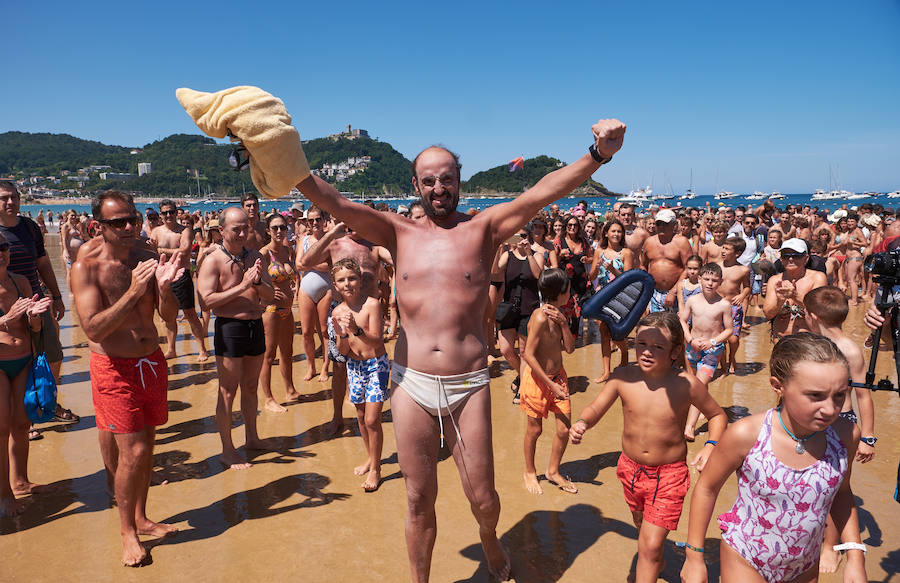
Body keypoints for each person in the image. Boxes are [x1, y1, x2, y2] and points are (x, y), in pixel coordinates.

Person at [294, 118, 626, 582]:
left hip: (468, 384)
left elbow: (543, 192)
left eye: (446, 178)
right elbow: (336, 201)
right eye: (428, 181)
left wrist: (598, 154)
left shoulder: (483, 229)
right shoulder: (396, 233)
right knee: (417, 497)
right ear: (416, 184)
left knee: (483, 498)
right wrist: (284, 159)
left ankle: (489, 538)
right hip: (410, 383)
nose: (438, 188)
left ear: (459, 181)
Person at [680, 333, 867, 583]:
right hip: (746, 556)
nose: (830, 409)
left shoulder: (845, 435)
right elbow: (707, 489)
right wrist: (694, 557)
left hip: (804, 563)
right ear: (778, 386)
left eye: (839, 396)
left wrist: (855, 555)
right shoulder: (746, 434)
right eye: (815, 395)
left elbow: (842, 493)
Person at [569, 312, 726, 583]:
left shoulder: (686, 384)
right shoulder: (623, 377)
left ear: (676, 351)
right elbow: (596, 407)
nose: (646, 352)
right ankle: (654, 558)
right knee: (642, 529)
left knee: (650, 545)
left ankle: (652, 557)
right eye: (641, 343)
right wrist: (583, 422)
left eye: (658, 347)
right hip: (629, 471)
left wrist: (711, 444)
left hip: (669, 475)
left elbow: (717, 415)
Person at [70, 191, 183, 566]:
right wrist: (134, 290)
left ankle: (141, 516)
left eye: (132, 219)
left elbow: (168, 316)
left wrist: (165, 289)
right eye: (119, 222)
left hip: (150, 361)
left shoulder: (147, 256)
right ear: (98, 226)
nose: (130, 227)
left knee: (147, 446)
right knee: (131, 452)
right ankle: (127, 533)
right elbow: (94, 329)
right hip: (113, 367)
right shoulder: (87, 266)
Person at [803, 286, 876, 573]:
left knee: (834, 487)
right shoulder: (812, 342)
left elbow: (863, 395)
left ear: (812, 316)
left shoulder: (848, 349)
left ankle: (829, 547)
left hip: (842, 424)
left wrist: (867, 437)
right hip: (810, 423)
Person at [196, 207, 276, 470]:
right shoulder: (213, 260)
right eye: (235, 229)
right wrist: (242, 286)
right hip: (230, 327)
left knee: (251, 387)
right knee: (228, 391)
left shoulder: (254, 256)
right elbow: (206, 301)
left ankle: (252, 438)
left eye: (245, 228)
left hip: (255, 325)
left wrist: (256, 285)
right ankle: (227, 449)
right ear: (221, 230)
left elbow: (269, 292)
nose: (242, 233)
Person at [298, 219, 393, 436]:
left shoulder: (375, 246)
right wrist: (331, 234)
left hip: (368, 314)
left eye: (355, 220)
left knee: (370, 360)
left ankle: (367, 411)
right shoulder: (335, 244)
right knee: (339, 368)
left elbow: (401, 260)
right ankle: (337, 417)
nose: (352, 226)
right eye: (348, 222)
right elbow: (304, 262)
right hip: (340, 312)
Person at [0, 183, 75, 444]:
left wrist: (55, 296)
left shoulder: (29, 227)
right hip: (4, 307)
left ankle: (47, 402)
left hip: (36, 302)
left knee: (52, 356)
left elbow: (42, 262)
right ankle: (24, 418)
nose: (11, 202)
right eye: (4, 198)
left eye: (14, 197)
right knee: (18, 362)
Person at [0, 232, 52, 517]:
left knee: (21, 425)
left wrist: (33, 317)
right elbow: (7, 323)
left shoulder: (20, 282)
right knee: (1, 429)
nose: (0, 252)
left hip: (23, 360)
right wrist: (6, 319)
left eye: (4, 247)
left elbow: (34, 330)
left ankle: (20, 481)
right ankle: (3, 494)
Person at [330, 258, 389, 492]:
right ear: (335, 285)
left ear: (360, 280)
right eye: (341, 280)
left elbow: (377, 341)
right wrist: (343, 335)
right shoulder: (337, 311)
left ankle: (376, 469)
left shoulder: (372, 304)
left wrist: (356, 329)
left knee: (373, 419)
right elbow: (343, 352)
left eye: (352, 278)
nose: (347, 284)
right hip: (355, 368)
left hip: (376, 364)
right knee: (361, 416)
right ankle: (370, 457)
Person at [520, 268, 576, 495]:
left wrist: (564, 324)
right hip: (538, 381)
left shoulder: (560, 315)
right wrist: (550, 385)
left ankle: (553, 471)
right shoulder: (540, 317)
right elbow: (528, 355)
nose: (570, 292)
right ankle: (530, 471)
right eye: (568, 289)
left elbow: (570, 350)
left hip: (558, 378)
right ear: (559, 293)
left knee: (564, 430)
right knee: (534, 431)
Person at [149, 200, 209, 362]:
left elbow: (185, 250)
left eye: (171, 212)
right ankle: (171, 349)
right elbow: (150, 250)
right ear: (160, 215)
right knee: (168, 316)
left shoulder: (185, 231)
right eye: (165, 213)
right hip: (162, 279)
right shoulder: (156, 232)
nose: (168, 215)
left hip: (181, 275)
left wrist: (160, 250)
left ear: (176, 213)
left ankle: (202, 349)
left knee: (190, 313)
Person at [679, 262, 732, 441]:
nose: (710, 283)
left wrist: (712, 342)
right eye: (707, 279)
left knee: (698, 386)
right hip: (692, 346)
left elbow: (729, 330)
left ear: (720, 282)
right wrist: (689, 339)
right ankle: (702, 408)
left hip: (712, 350)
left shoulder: (723, 304)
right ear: (699, 279)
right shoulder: (693, 300)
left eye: (714, 280)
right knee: (695, 381)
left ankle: (689, 427)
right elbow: (683, 320)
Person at [497, 228, 543, 401]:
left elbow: (538, 275)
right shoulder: (507, 255)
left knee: (524, 352)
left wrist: (529, 253)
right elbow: (495, 271)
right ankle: (521, 375)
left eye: (524, 236)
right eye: (518, 236)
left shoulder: (537, 254)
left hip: (529, 308)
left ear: (529, 237)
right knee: (506, 349)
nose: (521, 239)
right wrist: (499, 248)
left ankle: (523, 388)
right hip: (509, 308)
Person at [259, 213, 300, 412]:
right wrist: (267, 290)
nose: (278, 231)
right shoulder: (264, 254)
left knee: (287, 351)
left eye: (282, 227)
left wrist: (296, 288)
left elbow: (295, 274)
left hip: (287, 308)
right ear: (268, 230)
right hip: (271, 309)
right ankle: (268, 398)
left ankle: (290, 389)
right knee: (269, 354)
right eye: (274, 228)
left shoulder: (287, 250)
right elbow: (251, 280)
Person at [588, 218, 633, 382]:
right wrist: (596, 265)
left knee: (617, 334)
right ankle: (606, 371)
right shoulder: (599, 251)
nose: (616, 234)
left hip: (620, 297)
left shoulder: (626, 253)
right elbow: (591, 276)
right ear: (606, 233)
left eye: (619, 231)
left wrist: (613, 268)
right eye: (613, 231)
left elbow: (629, 279)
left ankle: (625, 353)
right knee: (604, 333)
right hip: (602, 295)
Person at [295, 207, 333, 382]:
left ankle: (325, 367)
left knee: (324, 331)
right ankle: (311, 366)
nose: (315, 223)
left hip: (326, 289)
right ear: (307, 223)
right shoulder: (303, 239)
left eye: (317, 219)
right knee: (306, 332)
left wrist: (309, 262)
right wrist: (318, 263)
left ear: (323, 220)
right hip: (307, 289)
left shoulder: (328, 239)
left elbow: (330, 267)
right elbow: (298, 264)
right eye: (311, 221)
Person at [763, 238, 827, 340]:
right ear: (781, 259)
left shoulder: (817, 278)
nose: (791, 259)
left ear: (806, 258)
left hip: (808, 341)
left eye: (796, 256)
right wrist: (780, 301)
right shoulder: (774, 280)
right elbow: (768, 314)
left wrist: (795, 296)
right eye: (786, 256)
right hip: (780, 340)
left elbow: (819, 311)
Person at [642, 209, 692, 312]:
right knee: (655, 325)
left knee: (675, 326)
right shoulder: (649, 242)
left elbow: (689, 268)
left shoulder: (682, 242)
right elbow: (643, 265)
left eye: (665, 224)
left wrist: (673, 292)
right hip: (653, 293)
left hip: (676, 293)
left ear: (674, 224)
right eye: (658, 223)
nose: (661, 227)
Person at [719, 237, 751, 374]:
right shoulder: (716, 266)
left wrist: (742, 295)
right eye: (723, 247)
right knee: (720, 340)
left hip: (733, 307)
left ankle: (732, 357)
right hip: (717, 306)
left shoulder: (743, 270)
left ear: (737, 253)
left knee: (733, 339)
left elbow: (748, 287)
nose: (723, 251)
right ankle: (724, 365)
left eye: (727, 249)